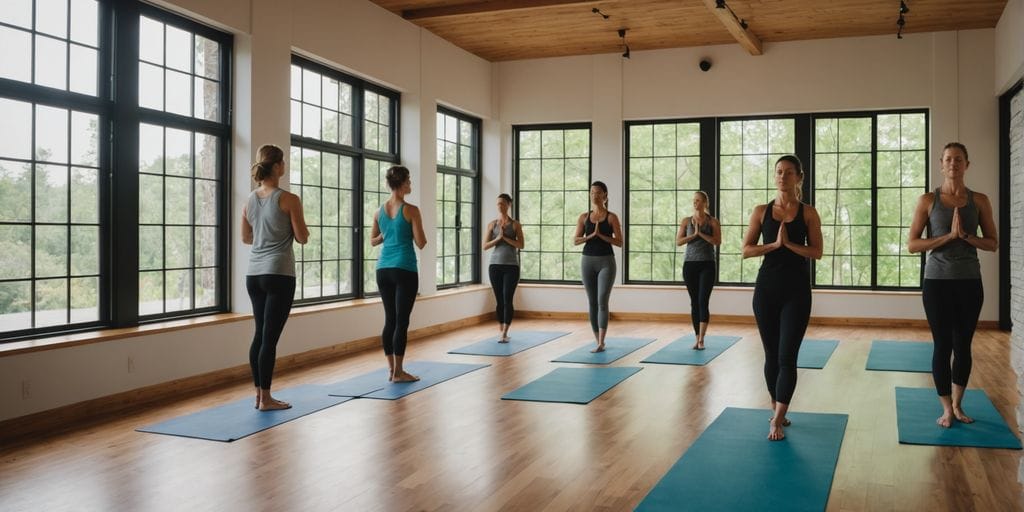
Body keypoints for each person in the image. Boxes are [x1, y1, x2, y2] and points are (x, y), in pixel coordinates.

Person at [908, 142, 997, 428]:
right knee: (942, 344)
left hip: (970, 282)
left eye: (958, 160)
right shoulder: (927, 200)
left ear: (966, 165)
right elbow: (912, 244)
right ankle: (945, 408)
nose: (953, 164)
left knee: (964, 345)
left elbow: (993, 243)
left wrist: (966, 236)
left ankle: (958, 405)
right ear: (941, 164)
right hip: (937, 282)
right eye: (948, 159)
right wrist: (947, 237)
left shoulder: (979, 200)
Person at [742, 155, 823, 440]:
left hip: (797, 291)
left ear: (799, 177)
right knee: (771, 356)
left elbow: (816, 252)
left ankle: (777, 418)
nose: (782, 176)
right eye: (778, 172)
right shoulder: (761, 211)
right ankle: (777, 406)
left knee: (787, 356)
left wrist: (789, 245)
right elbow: (747, 249)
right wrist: (774, 245)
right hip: (766, 290)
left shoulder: (809, 213)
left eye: (789, 172)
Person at [241, 144, 309, 411]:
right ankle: (267, 399)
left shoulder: (249, 199)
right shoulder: (289, 199)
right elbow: (302, 237)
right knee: (269, 338)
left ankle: (259, 395)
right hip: (279, 273)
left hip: (254, 274)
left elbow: (246, 237)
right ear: (278, 166)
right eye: (284, 162)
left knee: (260, 335)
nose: (285, 166)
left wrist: (265, 235)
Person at [370, 166, 427, 382]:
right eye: (409, 181)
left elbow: (373, 240)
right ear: (402, 183)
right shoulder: (411, 210)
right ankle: (400, 372)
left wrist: (388, 234)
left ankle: (391, 370)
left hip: (383, 269)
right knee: (402, 321)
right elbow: (421, 243)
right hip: (404, 268)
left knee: (390, 320)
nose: (410, 185)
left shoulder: (379, 211)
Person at [572, 181, 623, 353]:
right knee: (592, 302)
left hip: (606, 261)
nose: (594, 195)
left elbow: (620, 242)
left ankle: (602, 342)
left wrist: (601, 235)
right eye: (592, 192)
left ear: (605, 195)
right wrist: (590, 236)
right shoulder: (584, 217)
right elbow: (575, 240)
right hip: (587, 260)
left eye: (598, 192)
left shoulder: (611, 217)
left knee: (602, 301)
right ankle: (597, 341)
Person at [676, 190, 721, 350]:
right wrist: (693, 235)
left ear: (705, 203)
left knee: (703, 301)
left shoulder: (713, 221)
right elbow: (679, 241)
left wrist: (700, 233)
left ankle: (702, 339)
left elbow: (717, 241)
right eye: (694, 200)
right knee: (694, 302)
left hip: (707, 264)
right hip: (690, 265)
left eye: (699, 200)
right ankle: (696, 338)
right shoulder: (686, 221)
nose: (695, 203)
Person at [483, 193, 525, 342]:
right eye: (498, 203)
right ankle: (501, 328)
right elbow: (485, 246)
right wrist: (498, 238)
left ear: (508, 205)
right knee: (499, 299)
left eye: (502, 203)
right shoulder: (492, 224)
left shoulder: (515, 224)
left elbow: (521, 245)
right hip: (494, 266)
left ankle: (505, 331)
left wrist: (505, 238)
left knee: (508, 298)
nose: (500, 206)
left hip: (511, 267)